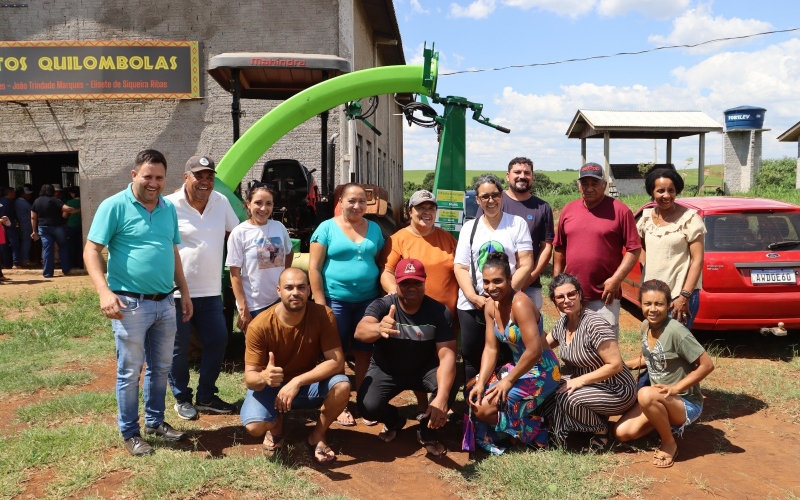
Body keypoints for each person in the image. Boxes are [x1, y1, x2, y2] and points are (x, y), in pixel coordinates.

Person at [84, 149, 193, 457]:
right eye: (147, 176)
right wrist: (105, 293)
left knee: (161, 368)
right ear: (134, 175)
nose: (153, 183)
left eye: (159, 177)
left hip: (164, 303)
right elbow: (91, 251)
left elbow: (172, 253)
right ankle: (130, 432)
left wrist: (183, 292)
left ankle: (156, 422)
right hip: (129, 304)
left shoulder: (167, 208)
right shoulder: (114, 206)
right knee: (130, 371)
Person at [241, 268, 350, 465]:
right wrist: (264, 377)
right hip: (271, 386)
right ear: (278, 291)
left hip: (306, 385)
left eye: (301, 287)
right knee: (255, 427)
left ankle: (317, 435)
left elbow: (337, 361)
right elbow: (250, 378)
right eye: (289, 287)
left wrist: (297, 381)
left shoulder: (323, 315)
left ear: (309, 290)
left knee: (342, 386)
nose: (295, 293)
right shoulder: (259, 325)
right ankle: (276, 424)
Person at [356, 258, 457, 457]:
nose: (411, 288)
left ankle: (426, 431)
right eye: (405, 283)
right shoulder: (383, 306)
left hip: (424, 370)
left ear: (424, 282)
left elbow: (447, 355)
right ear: (397, 283)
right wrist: (378, 327)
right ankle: (395, 421)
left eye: (416, 283)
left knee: (450, 384)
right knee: (367, 407)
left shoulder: (439, 311)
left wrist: (442, 397)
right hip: (387, 370)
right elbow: (360, 331)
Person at [165, 155, 241, 420]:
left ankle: (206, 395)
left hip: (210, 291)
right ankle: (182, 398)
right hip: (176, 292)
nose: (205, 181)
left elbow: (237, 234)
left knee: (219, 340)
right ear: (186, 177)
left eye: (210, 177)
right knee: (179, 347)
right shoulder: (169, 205)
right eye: (199, 176)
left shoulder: (220, 202)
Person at [614, 279, 714, 468]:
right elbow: (652, 357)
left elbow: (707, 365)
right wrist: (620, 366)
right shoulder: (645, 326)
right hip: (660, 398)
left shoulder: (677, 331)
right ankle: (661, 421)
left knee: (644, 394)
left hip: (684, 403)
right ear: (640, 304)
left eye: (659, 304)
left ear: (669, 305)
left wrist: (676, 388)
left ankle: (669, 442)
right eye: (648, 303)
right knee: (623, 433)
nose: (653, 309)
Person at [468, 252, 560, 454]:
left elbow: (534, 351)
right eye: (487, 282)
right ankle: (518, 430)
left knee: (486, 408)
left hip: (542, 371)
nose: (491, 287)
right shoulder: (490, 306)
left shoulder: (520, 303)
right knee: (475, 394)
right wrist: (481, 381)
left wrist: (507, 381)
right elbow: (491, 348)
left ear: (510, 279)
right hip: (519, 368)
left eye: (498, 281)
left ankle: (540, 428)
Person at [309, 183, 385, 426]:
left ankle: (364, 402)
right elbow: (313, 268)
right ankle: (339, 405)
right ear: (340, 202)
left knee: (365, 353)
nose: (357, 205)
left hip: (368, 301)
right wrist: (321, 303)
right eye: (351, 201)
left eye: (362, 201)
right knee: (336, 353)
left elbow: (381, 264)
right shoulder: (326, 228)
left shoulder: (375, 229)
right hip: (335, 300)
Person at [379, 189, 458, 414]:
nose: (426, 212)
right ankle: (424, 405)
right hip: (414, 314)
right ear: (409, 211)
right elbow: (386, 272)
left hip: (446, 316)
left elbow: (460, 271)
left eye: (431, 208)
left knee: (444, 359)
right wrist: (398, 295)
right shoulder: (399, 239)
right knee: (419, 360)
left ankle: (441, 402)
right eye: (420, 208)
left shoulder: (447, 239)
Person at [454, 174, 533, 396]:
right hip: (472, 304)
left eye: (495, 195)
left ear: (502, 196)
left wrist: (502, 296)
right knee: (471, 355)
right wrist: (475, 297)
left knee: (505, 354)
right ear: (477, 200)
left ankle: (500, 403)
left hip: (504, 304)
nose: (491, 201)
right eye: (484, 196)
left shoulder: (516, 224)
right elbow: (460, 267)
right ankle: (473, 405)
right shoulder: (469, 228)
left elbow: (525, 263)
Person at [541, 273, 636, 449]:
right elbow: (542, 346)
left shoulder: (595, 324)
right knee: (549, 389)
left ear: (580, 295)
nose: (567, 300)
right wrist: (530, 324)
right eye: (560, 297)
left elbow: (615, 365)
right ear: (554, 301)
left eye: (571, 294)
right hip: (589, 386)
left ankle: (601, 429)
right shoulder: (563, 323)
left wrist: (579, 380)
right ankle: (563, 427)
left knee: (567, 398)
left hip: (616, 388)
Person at [553, 162, 642, 337]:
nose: (589, 188)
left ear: (604, 185)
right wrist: (557, 281)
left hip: (604, 296)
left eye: (594, 183)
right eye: (585, 184)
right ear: (579, 186)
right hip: (571, 295)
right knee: (572, 343)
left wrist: (616, 280)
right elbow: (559, 248)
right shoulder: (569, 210)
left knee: (604, 348)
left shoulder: (620, 211)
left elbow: (634, 249)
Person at [475, 157, 554, 311]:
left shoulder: (543, 207)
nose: (522, 176)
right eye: (517, 172)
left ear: (533, 176)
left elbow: (546, 247)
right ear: (508, 175)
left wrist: (529, 278)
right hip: (492, 286)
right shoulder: (494, 201)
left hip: (530, 286)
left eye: (527, 173)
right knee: (492, 331)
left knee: (526, 332)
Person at [638, 168, 706, 328]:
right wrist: (646, 275)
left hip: (679, 295)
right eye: (660, 190)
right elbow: (640, 247)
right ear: (651, 192)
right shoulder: (646, 218)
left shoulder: (690, 219)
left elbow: (698, 260)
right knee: (654, 343)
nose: (666, 195)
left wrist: (685, 296)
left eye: (671, 190)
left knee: (674, 347)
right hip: (653, 296)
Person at [226, 181, 293, 333]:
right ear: (248, 204)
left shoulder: (278, 227)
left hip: (278, 301)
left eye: (268, 203)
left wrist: (284, 277)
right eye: (258, 203)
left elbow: (289, 252)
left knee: (280, 347)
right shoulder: (239, 233)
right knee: (257, 352)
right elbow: (234, 274)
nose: (263, 208)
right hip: (254, 305)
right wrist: (243, 308)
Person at [31, 184, 80, 278]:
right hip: (57, 227)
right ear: (52, 191)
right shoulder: (54, 200)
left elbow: (33, 217)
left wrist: (34, 231)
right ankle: (65, 269)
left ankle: (47, 273)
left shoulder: (36, 201)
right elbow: (67, 209)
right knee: (63, 246)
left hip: (43, 227)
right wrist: (77, 210)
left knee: (47, 249)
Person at [0, 187, 21, 269]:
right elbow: (11, 214)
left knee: (3, 245)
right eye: (14, 193)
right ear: (10, 193)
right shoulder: (9, 202)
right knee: (14, 244)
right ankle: (16, 263)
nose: (15, 194)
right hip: (9, 226)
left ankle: (6, 264)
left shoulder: (1, 200)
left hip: (1, 226)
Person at [15, 185, 34, 267]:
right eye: (27, 194)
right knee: (26, 242)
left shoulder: (17, 202)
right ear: (22, 194)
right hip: (26, 225)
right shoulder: (24, 203)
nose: (29, 196)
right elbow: (32, 212)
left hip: (22, 224)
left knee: (24, 242)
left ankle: (23, 259)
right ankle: (25, 260)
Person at [65, 186, 83, 269]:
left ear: (73, 194)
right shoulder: (83, 202)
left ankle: (72, 263)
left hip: (71, 226)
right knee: (80, 245)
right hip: (80, 226)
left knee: (72, 245)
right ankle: (81, 263)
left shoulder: (69, 202)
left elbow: (64, 215)